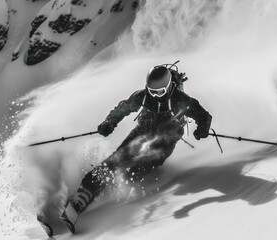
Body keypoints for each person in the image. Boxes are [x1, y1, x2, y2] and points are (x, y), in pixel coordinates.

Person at [59, 64, 212, 234]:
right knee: (118, 158)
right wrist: (109, 123)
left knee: (149, 159)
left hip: (169, 134)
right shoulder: (143, 96)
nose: (155, 96)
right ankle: (84, 193)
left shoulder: (180, 98)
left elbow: (203, 115)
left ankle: (126, 184)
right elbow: (122, 108)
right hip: (145, 128)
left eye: (160, 92)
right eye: (152, 91)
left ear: (169, 87)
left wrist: (202, 129)